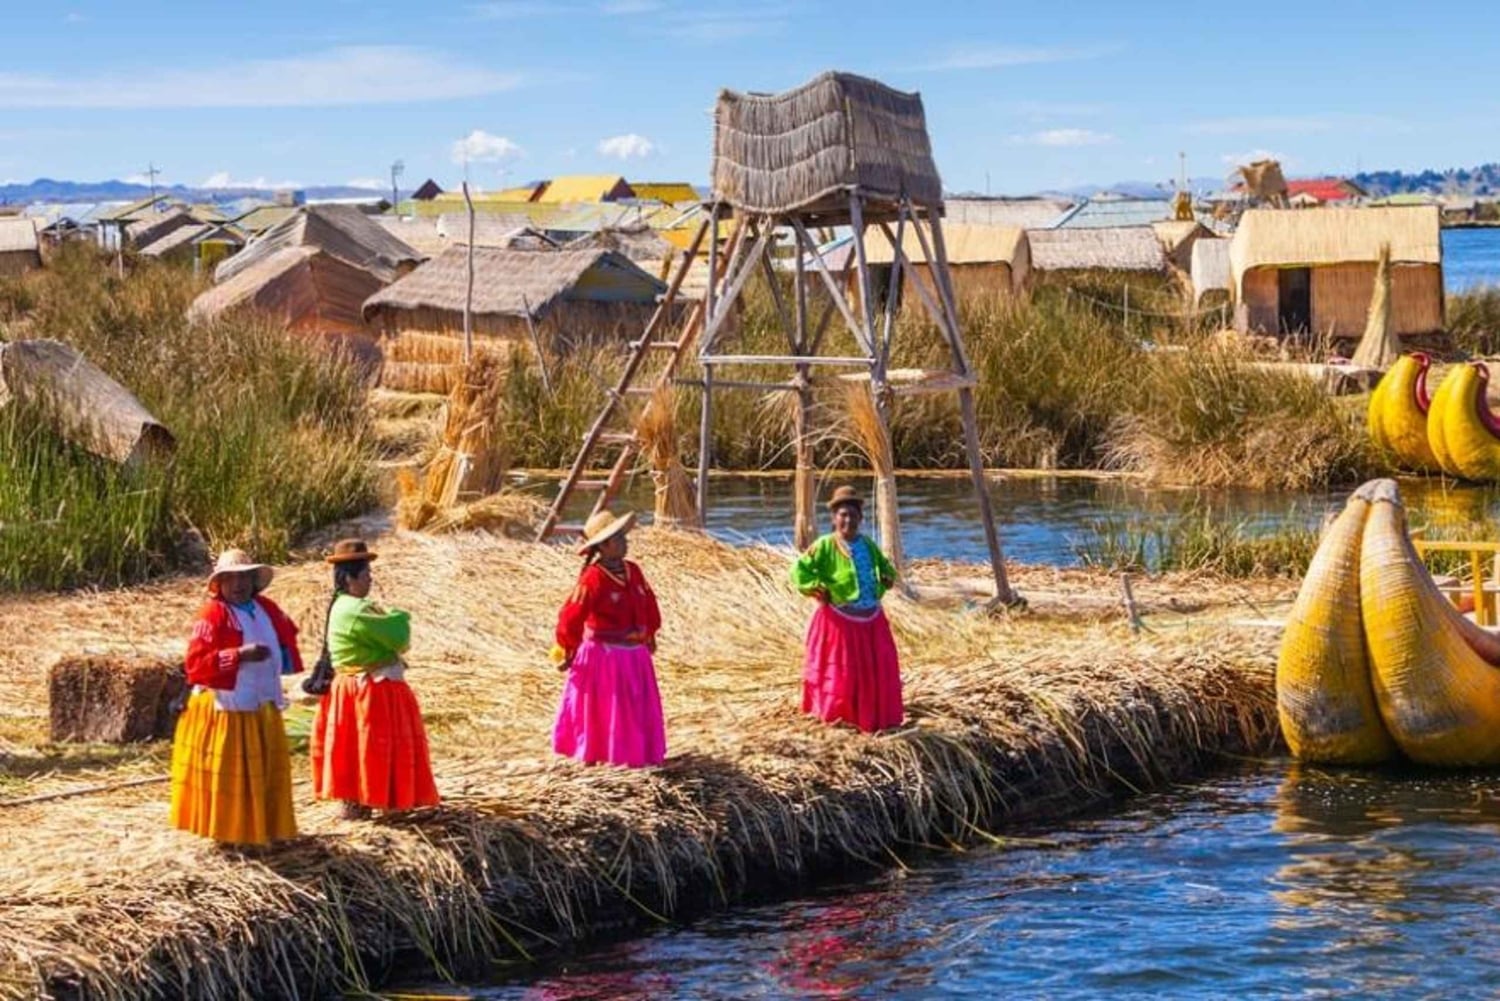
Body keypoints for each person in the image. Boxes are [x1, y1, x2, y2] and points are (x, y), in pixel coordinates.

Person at [170, 548, 301, 845]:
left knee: (263, 770)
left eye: (244, 577)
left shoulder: (266, 609)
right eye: (230, 579)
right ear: (219, 584)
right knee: (234, 774)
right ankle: (230, 832)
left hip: (261, 703)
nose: (238, 585)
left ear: (254, 580)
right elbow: (196, 664)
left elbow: (287, 639)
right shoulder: (213, 614)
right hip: (227, 707)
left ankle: (262, 828)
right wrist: (239, 655)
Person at [309, 538, 439, 818]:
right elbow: (400, 637)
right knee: (372, 749)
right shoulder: (357, 610)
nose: (370, 579)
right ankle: (382, 803)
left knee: (357, 750)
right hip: (367, 692)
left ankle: (358, 805)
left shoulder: (344, 606)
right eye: (367, 574)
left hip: (355, 687)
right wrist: (397, 615)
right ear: (351, 578)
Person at [552, 509, 666, 767]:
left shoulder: (633, 570)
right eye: (619, 538)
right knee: (606, 709)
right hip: (604, 657)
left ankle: (636, 756)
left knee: (634, 707)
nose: (626, 542)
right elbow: (571, 615)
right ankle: (600, 754)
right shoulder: (593, 578)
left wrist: (649, 633)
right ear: (604, 545)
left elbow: (648, 603)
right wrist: (567, 649)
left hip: (635, 655)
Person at [790, 485, 904, 732]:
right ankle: (840, 716)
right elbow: (799, 570)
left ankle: (871, 716)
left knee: (874, 670)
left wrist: (885, 580)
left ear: (861, 519)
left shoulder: (868, 545)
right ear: (834, 518)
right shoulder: (825, 545)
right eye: (843, 514)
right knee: (842, 672)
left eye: (853, 515)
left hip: (870, 618)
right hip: (839, 621)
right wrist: (817, 588)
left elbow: (886, 567)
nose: (848, 520)